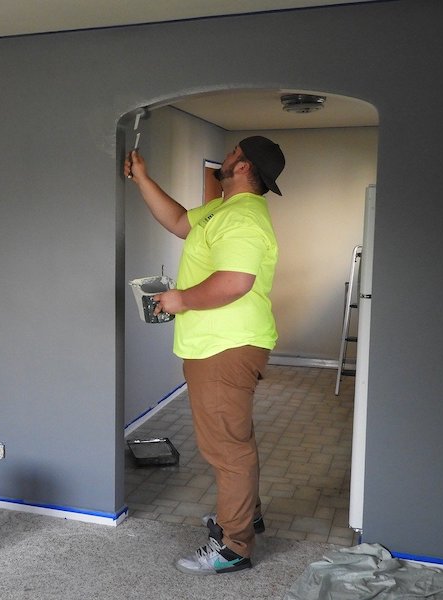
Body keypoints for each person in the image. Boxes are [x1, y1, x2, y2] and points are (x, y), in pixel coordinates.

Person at [124, 136, 285, 575]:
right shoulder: (222, 209)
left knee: (226, 450)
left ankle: (234, 546)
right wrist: (142, 177)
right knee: (236, 439)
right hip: (216, 345)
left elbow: (236, 281)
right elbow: (178, 220)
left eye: (233, 152)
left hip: (225, 346)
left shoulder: (245, 219)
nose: (227, 156)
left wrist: (181, 300)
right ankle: (245, 515)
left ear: (244, 165)